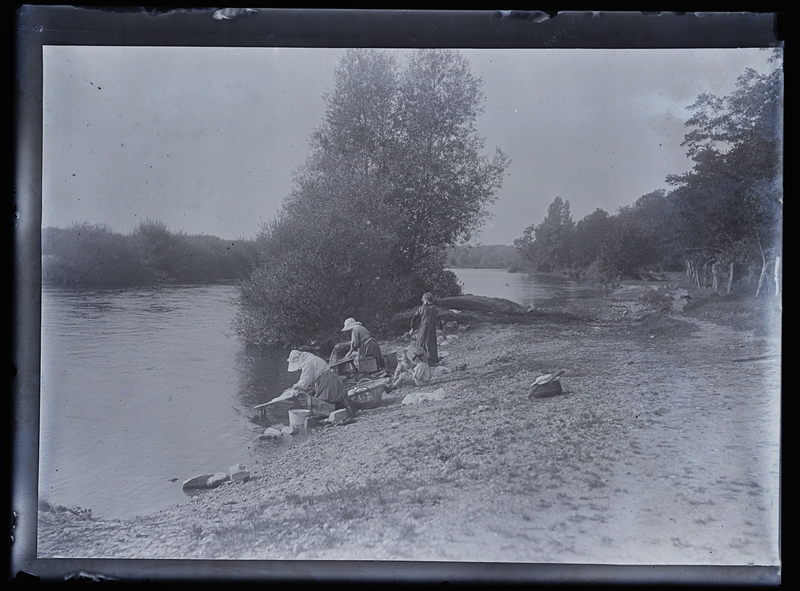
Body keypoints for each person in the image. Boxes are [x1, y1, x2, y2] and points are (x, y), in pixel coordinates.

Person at [287, 350, 357, 417]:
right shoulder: (310, 358)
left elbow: (305, 380)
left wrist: (297, 385)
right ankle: (343, 410)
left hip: (327, 380)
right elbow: (311, 378)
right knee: (335, 396)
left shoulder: (308, 362)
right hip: (329, 377)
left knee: (326, 398)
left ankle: (332, 412)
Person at [410, 292, 446, 366]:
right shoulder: (434, 309)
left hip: (423, 329)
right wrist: (442, 331)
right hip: (428, 329)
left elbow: (414, 318)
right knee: (430, 344)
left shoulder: (422, 308)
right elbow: (439, 321)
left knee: (421, 343)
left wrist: (412, 328)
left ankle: (420, 359)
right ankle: (431, 360)